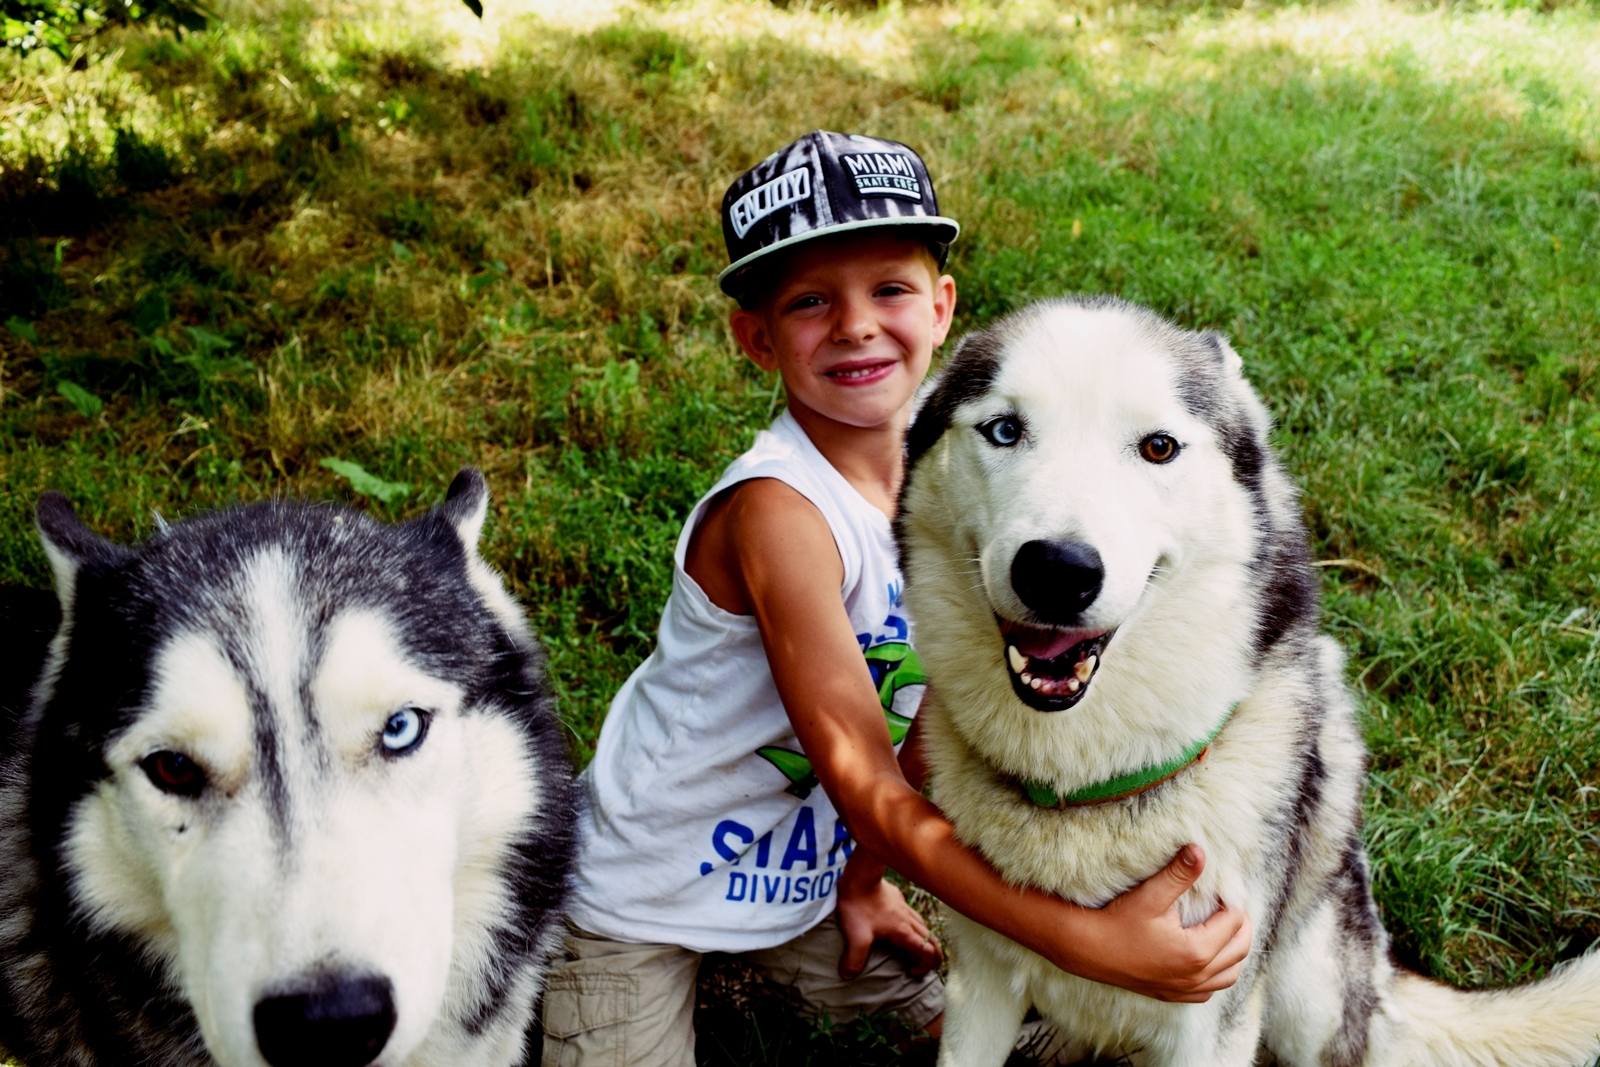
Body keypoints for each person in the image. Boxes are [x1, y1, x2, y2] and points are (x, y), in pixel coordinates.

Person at [540, 130, 1251, 1067]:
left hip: (796, 885)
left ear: (941, 306)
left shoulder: (967, 471)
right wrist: (1084, 941)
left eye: (889, 289)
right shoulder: (780, 513)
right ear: (756, 338)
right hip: (643, 889)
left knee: (950, 1029)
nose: (855, 325)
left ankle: (816, 925)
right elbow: (867, 783)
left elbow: (928, 711)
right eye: (809, 301)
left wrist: (864, 881)